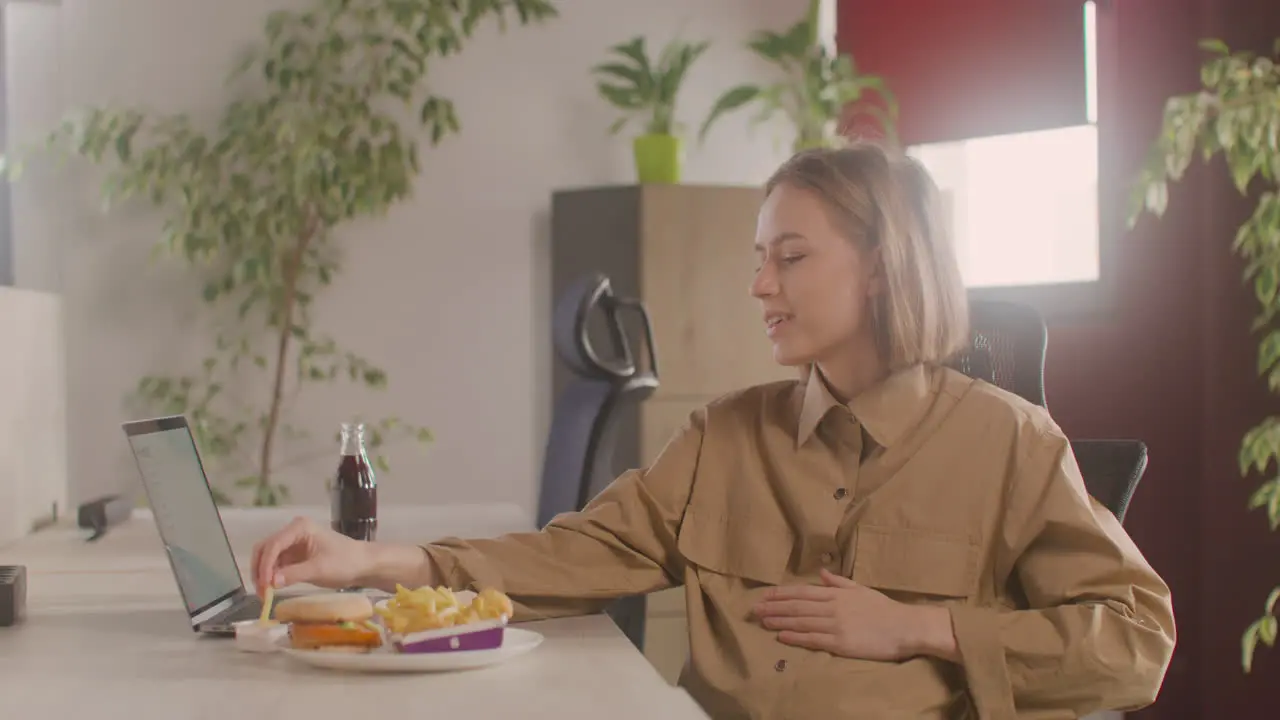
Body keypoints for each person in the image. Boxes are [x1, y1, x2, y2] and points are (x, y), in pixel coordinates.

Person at [252, 141, 1176, 719]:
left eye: (791, 257)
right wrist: (369, 563)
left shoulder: (1011, 444)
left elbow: (1135, 642)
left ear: (885, 269)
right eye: (756, 259)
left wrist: (923, 628)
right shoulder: (726, 436)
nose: (759, 285)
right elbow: (573, 556)